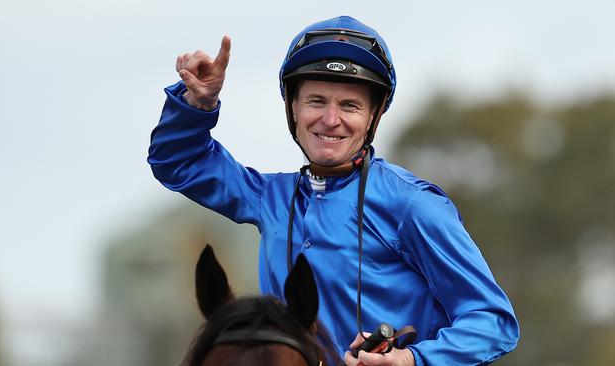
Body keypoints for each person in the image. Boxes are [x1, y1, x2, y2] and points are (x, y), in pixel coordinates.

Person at [148, 15, 519, 366]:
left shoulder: (414, 205)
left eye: (349, 105)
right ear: (293, 109)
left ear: (373, 116)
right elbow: (177, 161)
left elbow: (493, 322)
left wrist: (410, 359)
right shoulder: (269, 197)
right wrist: (198, 102)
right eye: (316, 101)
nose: (330, 119)